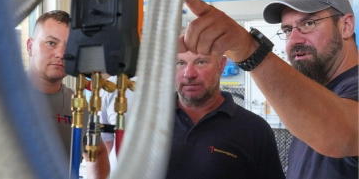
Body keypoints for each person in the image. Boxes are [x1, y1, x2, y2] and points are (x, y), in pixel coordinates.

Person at [179, 0, 358, 178]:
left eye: (309, 24)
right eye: (288, 30)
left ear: (346, 26)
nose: (294, 40)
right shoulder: (315, 101)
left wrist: (250, 50)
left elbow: (341, 135)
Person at [88, 47, 285, 178]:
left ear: (221, 65)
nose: (189, 74)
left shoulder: (254, 130)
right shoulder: (146, 122)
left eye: (201, 62)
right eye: (180, 63)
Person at [26, 10, 109, 177]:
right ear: (30, 46)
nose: (62, 54)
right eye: (51, 43)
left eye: (69, 46)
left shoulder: (78, 105)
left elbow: (98, 151)